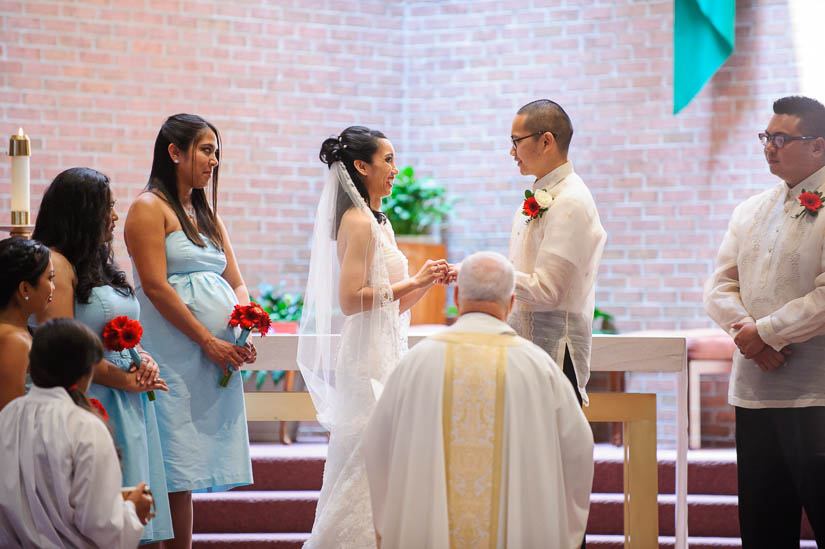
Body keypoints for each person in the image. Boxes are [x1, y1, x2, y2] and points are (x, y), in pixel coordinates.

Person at [362, 251, 594, 548]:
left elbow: (376, 444)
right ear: (511, 303)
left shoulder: (416, 363)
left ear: (456, 296)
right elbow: (577, 450)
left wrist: (395, 521)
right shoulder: (539, 368)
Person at [297, 125, 450, 548]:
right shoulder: (358, 221)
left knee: (387, 457)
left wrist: (427, 282)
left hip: (388, 350)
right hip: (365, 358)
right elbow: (350, 300)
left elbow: (391, 304)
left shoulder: (379, 222)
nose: (395, 170)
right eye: (388, 160)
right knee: (366, 455)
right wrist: (414, 279)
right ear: (361, 166)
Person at [125, 113, 257, 549]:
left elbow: (236, 281)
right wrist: (208, 339)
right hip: (171, 352)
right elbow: (156, 287)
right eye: (205, 150)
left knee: (185, 470)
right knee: (168, 464)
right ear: (174, 152)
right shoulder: (149, 208)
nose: (214, 160)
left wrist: (243, 326)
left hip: (211, 354)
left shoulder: (208, 216)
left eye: (216, 151)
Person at [704, 95, 825, 547]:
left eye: (781, 138)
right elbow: (718, 286)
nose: (769, 147)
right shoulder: (750, 209)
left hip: (816, 396)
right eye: (766, 137)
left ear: (818, 146)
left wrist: (767, 332)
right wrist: (748, 336)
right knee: (763, 527)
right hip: (754, 394)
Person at [33, 167, 173, 546]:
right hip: (94, 399)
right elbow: (64, 348)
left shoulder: (100, 263)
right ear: (80, 212)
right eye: (106, 208)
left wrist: (143, 357)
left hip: (128, 403)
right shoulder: (57, 265)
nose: (114, 216)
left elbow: (123, 328)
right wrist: (126, 379)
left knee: (139, 515)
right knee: (106, 519)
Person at [0, 318, 153, 548]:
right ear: (86, 372)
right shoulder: (84, 426)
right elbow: (101, 525)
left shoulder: (7, 416)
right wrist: (132, 511)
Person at [507, 99, 606, 407]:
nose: (512, 152)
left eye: (516, 142)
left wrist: (493, 278)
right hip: (527, 350)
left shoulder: (571, 200)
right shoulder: (541, 195)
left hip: (556, 355)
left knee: (550, 453)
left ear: (546, 140)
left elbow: (548, 290)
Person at [0, 237, 53, 410]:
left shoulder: (22, 332)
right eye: (50, 278)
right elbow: (10, 418)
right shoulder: (13, 341)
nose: (53, 287)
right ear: (25, 289)